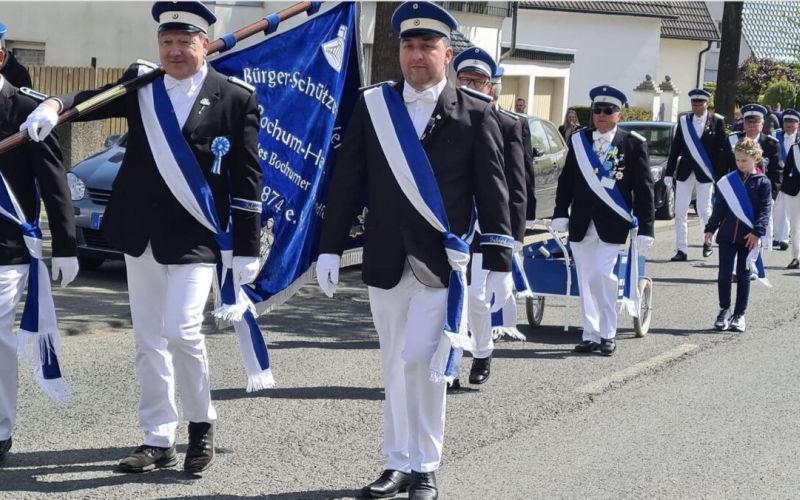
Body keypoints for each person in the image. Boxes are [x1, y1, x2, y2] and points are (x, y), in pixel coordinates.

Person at [21, 1, 263, 474]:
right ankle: (158, 438)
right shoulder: (143, 84)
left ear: (204, 43)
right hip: (140, 235)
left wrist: (248, 250)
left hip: (195, 235)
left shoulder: (234, 98)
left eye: (184, 41)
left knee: (182, 332)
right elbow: (90, 100)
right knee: (149, 340)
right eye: (166, 41)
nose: (174, 51)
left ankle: (200, 425)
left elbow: (248, 178)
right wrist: (52, 106)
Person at [315, 3, 512, 498]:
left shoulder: (476, 112)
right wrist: (330, 248)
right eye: (408, 45)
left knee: (422, 359)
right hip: (385, 258)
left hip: (442, 263)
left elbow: (494, 191)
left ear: (448, 53)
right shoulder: (374, 105)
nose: (416, 55)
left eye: (427, 46)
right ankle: (397, 462)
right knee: (393, 363)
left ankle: (425, 463)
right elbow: (347, 181)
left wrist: (499, 259)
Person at [0, 22, 78, 465]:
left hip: (7, 247)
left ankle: (0, 430)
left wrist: (65, 244)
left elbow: (54, 182)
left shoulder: (26, 110)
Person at [552, 85, 655, 356]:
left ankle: (608, 333)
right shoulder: (578, 141)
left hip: (613, 222)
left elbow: (644, 188)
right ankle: (590, 334)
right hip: (581, 221)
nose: (601, 115)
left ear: (619, 114)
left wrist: (646, 226)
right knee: (585, 279)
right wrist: (561, 212)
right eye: (597, 110)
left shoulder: (632, 143)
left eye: (608, 110)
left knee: (601, 274)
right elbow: (567, 181)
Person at [451, 47, 526, 388]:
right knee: (452, 296)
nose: (471, 86)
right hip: (453, 225)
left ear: (491, 88)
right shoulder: (447, 119)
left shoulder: (509, 124)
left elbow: (515, 187)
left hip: (488, 229)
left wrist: (513, 245)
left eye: (478, 82)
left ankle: (481, 352)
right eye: (465, 79)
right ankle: (448, 364)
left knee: (478, 298)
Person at [705, 138, 772, 332]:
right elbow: (719, 207)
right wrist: (710, 228)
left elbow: (764, 210)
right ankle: (724, 309)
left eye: (744, 160)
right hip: (727, 235)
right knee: (725, 275)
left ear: (756, 159)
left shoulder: (763, 182)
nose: (740, 164)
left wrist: (757, 232)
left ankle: (739, 314)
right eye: (738, 160)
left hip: (748, 237)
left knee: (744, 275)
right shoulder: (728, 182)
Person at [664, 89, 726, 262]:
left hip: (706, 172)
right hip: (685, 171)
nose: (697, 107)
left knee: (704, 209)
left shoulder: (717, 121)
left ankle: (707, 242)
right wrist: (669, 172)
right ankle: (681, 249)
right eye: (694, 104)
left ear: (707, 104)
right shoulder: (684, 121)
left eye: (700, 104)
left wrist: (720, 175)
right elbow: (675, 148)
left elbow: (722, 151)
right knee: (680, 210)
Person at [724, 104, 781, 200]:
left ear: (762, 124)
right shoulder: (733, 140)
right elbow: (723, 167)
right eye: (748, 121)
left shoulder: (771, 144)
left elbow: (777, 172)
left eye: (755, 122)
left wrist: (771, 196)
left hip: (761, 194)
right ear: (743, 123)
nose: (751, 125)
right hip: (735, 192)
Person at [771, 108, 799, 251]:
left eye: (792, 121)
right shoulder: (775, 136)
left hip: (794, 179)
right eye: (786, 121)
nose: (788, 124)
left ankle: (783, 238)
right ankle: (777, 236)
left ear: (798, 124)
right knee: (777, 208)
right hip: (778, 176)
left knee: (789, 209)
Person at [779, 136, 800, 269]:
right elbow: (787, 171)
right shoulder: (795, 148)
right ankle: (796, 257)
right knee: (795, 227)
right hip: (795, 192)